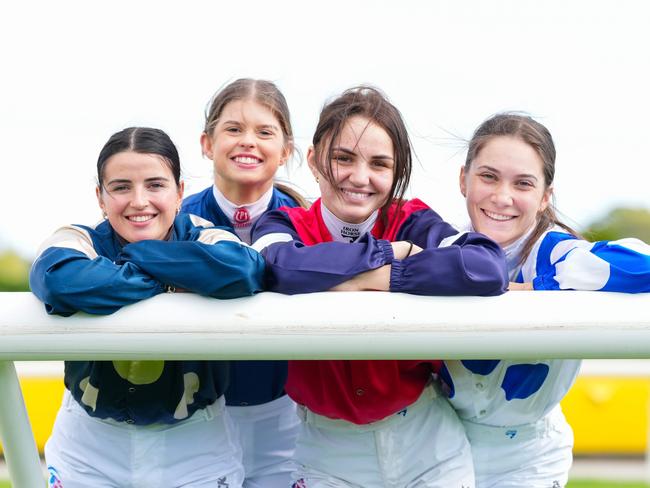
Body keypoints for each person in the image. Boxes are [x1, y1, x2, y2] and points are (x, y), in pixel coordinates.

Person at [251, 86, 509, 488]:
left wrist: (380, 279)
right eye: (344, 158)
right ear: (316, 159)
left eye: (379, 164)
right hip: (324, 451)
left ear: (395, 172)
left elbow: (487, 267)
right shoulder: (282, 224)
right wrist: (389, 252)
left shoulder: (414, 219)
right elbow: (278, 269)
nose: (360, 177)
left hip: (427, 444)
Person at [30, 127, 265, 488]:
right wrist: (172, 281)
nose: (139, 201)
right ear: (100, 197)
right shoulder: (79, 238)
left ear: (180, 192)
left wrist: (131, 260)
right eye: (121, 187)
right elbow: (55, 280)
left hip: (196, 443)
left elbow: (243, 269)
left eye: (155, 185)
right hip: (89, 444)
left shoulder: (204, 233)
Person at [441, 112, 650, 488]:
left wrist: (538, 287)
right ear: (463, 179)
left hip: (529, 456)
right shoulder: (444, 246)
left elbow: (642, 265)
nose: (502, 197)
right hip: (440, 444)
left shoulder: (553, 250)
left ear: (544, 197)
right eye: (488, 176)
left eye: (523, 183)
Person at [181, 78, 306, 488]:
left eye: (264, 132)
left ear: (286, 150)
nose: (247, 142)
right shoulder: (174, 221)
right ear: (206, 142)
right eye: (233, 129)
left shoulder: (307, 221)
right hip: (198, 418)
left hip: (288, 417)